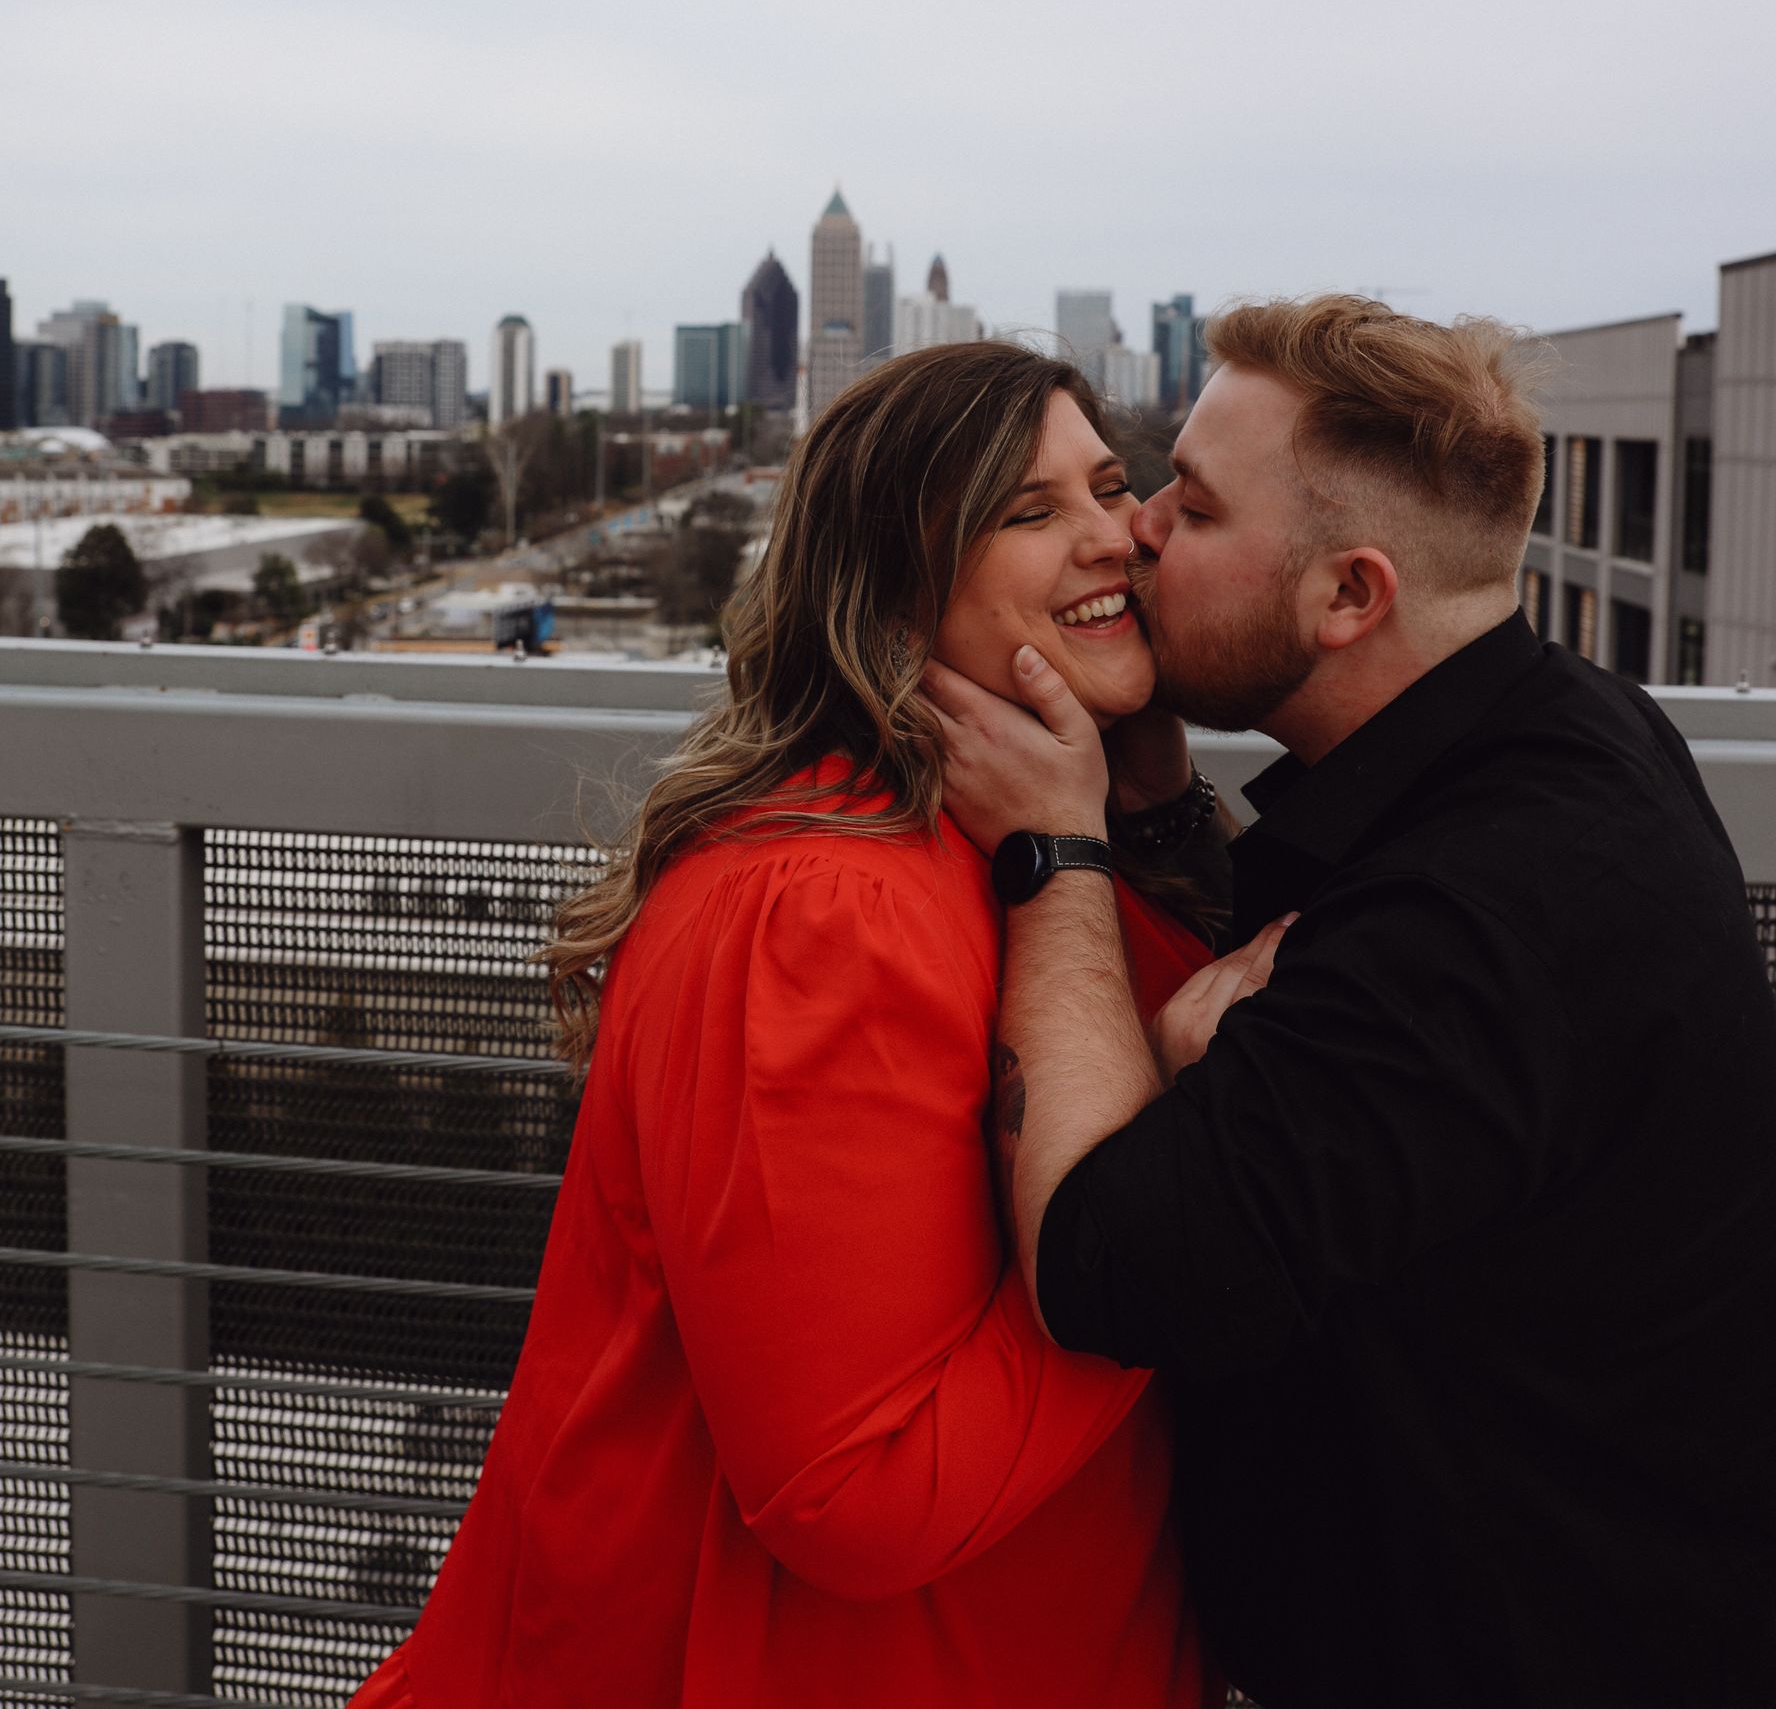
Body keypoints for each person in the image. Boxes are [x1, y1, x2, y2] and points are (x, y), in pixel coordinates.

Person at [927, 294, 1776, 1709]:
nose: (1139, 535)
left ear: (1348, 597)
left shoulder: (1482, 914)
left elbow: (1098, 1263)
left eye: (1189, 510)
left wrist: (1055, 848)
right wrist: (1162, 817)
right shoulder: (1565, 732)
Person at [348, 341, 1223, 1709]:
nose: (1115, 534)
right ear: (890, 582)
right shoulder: (817, 914)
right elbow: (859, 1487)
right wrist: (1181, 1225)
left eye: (1114, 487)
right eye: (1030, 509)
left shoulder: (1038, 841)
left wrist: (1148, 807)